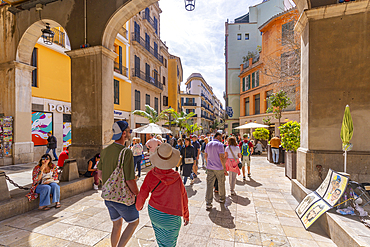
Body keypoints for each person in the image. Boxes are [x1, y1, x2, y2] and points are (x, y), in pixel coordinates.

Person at [136, 143, 189, 247]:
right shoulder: (177, 177)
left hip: (155, 212)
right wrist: (186, 214)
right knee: (170, 243)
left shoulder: (151, 174)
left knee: (160, 239)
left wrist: (138, 206)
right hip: (172, 216)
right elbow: (183, 197)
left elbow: (142, 194)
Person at [97, 121, 139, 247]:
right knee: (134, 222)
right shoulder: (126, 152)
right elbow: (129, 180)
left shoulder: (105, 151)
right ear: (124, 133)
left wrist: (111, 185)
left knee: (116, 224)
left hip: (108, 197)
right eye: (130, 131)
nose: (130, 133)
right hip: (122, 199)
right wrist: (138, 194)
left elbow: (99, 174)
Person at [205, 132, 227, 209]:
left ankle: (208, 202)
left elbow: (206, 156)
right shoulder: (220, 145)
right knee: (221, 183)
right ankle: (222, 198)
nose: (222, 138)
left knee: (209, 185)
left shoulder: (208, 144)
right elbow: (222, 157)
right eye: (221, 136)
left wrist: (209, 164)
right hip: (219, 168)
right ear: (218, 136)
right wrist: (224, 168)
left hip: (210, 168)